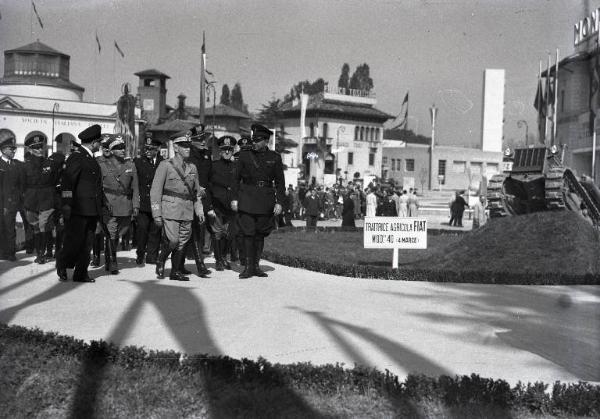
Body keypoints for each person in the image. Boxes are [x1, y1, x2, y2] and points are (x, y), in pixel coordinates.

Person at [231, 123, 285, 279]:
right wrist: (234, 199)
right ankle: (248, 267)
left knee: (260, 234)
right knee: (248, 233)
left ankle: (256, 266)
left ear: (266, 141)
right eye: (253, 139)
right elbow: (235, 180)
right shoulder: (244, 155)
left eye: (257, 140)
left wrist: (279, 202)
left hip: (265, 201)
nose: (253, 142)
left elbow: (280, 183)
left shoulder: (274, 158)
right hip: (246, 198)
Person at [151, 132, 205, 281]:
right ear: (176, 147)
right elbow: (155, 191)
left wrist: (199, 210)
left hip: (187, 209)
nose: (188, 148)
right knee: (173, 240)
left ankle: (175, 272)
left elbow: (196, 193)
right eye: (184, 146)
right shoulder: (165, 165)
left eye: (188, 145)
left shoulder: (193, 168)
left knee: (182, 242)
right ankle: (161, 259)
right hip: (171, 209)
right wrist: (156, 213)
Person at [56, 124, 105, 282]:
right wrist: (67, 205)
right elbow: (67, 184)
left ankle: (81, 273)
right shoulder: (77, 157)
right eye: (99, 142)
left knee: (87, 244)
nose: (100, 145)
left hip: (92, 209)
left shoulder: (90, 158)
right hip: (78, 209)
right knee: (74, 242)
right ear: (93, 143)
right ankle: (62, 264)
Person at [98, 134, 140, 274]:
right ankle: (113, 262)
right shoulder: (102, 165)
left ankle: (110, 258)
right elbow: (98, 188)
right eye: (118, 148)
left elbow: (135, 188)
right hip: (109, 204)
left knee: (121, 231)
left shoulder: (130, 165)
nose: (123, 150)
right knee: (111, 233)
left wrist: (135, 205)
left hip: (125, 205)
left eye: (123, 147)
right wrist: (101, 204)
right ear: (111, 150)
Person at [22, 135, 65, 264]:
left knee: (44, 225)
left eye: (41, 146)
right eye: (35, 147)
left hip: (47, 199)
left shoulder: (51, 164)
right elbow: (22, 184)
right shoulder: (24, 166)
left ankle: (45, 252)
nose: (39, 149)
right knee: (35, 227)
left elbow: (56, 181)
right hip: (31, 200)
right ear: (29, 149)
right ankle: (40, 253)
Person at [182, 127, 212, 277]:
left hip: (203, 198)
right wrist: (198, 188)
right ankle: (180, 262)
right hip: (189, 197)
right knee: (186, 231)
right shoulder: (188, 155)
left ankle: (199, 262)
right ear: (192, 141)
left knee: (198, 230)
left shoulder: (207, 154)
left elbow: (210, 176)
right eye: (199, 139)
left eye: (203, 139)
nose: (202, 142)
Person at [207, 135, 237, 271]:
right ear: (220, 150)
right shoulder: (213, 166)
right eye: (224, 149)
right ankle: (218, 260)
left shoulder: (236, 167)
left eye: (229, 149)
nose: (227, 152)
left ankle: (224, 257)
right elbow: (208, 187)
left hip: (231, 206)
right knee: (217, 233)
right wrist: (209, 206)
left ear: (233, 151)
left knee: (228, 234)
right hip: (217, 205)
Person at [134, 133, 163, 265]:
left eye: (151, 149)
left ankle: (152, 256)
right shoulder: (138, 162)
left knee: (155, 230)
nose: (147, 151)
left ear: (157, 149)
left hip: (157, 203)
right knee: (142, 229)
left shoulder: (163, 163)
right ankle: (140, 254)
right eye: (146, 148)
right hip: (144, 203)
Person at [0, 133, 25, 261]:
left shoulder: (17, 165)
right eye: (11, 149)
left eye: (14, 149)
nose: (13, 151)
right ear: (3, 150)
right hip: (1, 203)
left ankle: (10, 253)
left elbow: (20, 185)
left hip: (13, 203)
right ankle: (2, 252)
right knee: (2, 228)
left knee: (10, 228)